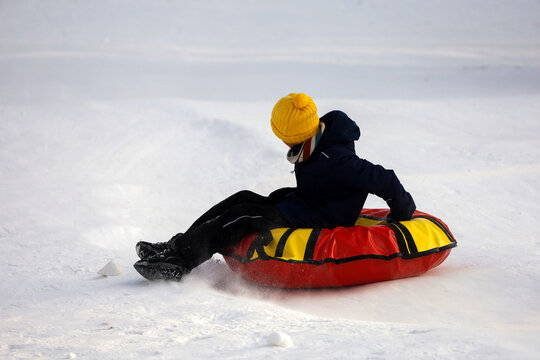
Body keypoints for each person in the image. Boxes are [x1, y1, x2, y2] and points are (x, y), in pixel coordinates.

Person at [134, 93, 416, 281]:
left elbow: (384, 178)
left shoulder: (337, 160)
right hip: (308, 202)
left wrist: (403, 213)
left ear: (293, 135)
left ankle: (180, 262)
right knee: (243, 197)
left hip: (323, 216)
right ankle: (176, 245)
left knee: (246, 215)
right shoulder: (317, 140)